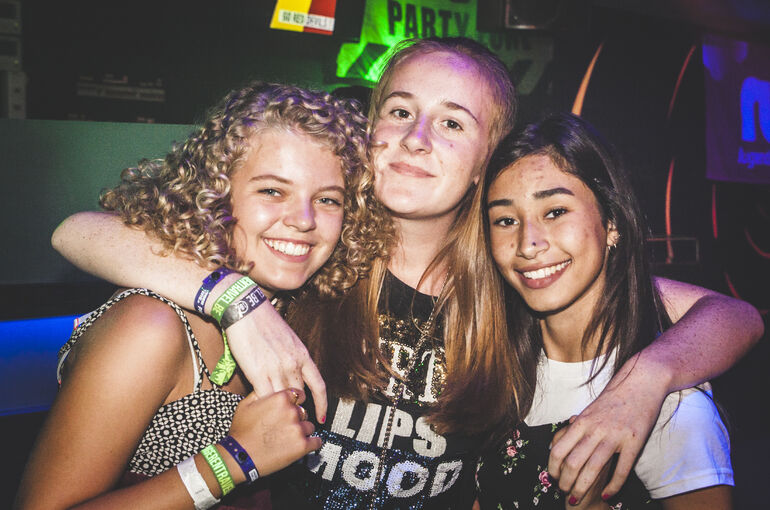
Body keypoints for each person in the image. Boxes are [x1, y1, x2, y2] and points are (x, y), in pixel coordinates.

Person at [49, 38, 763, 508]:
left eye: (452, 123)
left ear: (487, 162)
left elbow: (734, 315)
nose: (416, 139)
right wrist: (239, 301)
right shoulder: (314, 254)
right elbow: (79, 231)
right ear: (371, 130)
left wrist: (645, 381)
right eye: (400, 111)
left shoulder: (513, 275)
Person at [15, 82, 387, 510]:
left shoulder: (301, 308)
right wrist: (233, 460)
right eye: (272, 191)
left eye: (327, 199)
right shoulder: (150, 325)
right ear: (215, 194)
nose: (304, 220)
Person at [476, 113, 734, 509]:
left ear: (611, 222)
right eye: (506, 220)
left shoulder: (671, 411)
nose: (528, 243)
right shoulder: (495, 368)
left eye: (555, 211)